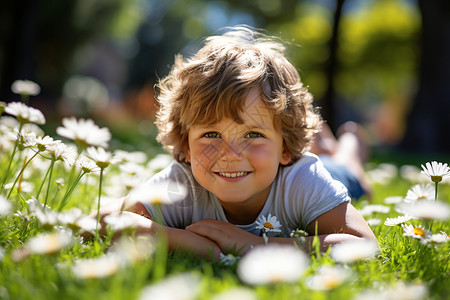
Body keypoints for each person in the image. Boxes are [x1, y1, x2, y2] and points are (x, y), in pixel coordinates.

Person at [98, 26, 377, 260]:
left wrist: (254, 245)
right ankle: (324, 142)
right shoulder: (181, 185)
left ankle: (350, 143)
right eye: (211, 134)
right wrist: (184, 241)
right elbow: (99, 219)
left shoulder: (304, 179)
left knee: (346, 169)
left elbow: (365, 245)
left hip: (333, 173)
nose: (230, 154)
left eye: (253, 135)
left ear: (286, 148)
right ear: (185, 146)